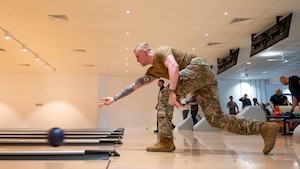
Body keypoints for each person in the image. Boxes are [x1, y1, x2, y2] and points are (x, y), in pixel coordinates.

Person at [99, 42, 279, 154]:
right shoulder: (152, 71)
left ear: (146, 51)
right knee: (216, 119)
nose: (137, 60)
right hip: (204, 80)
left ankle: (165, 142)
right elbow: (135, 85)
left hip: (198, 68)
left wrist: (172, 92)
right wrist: (114, 98)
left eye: (138, 56)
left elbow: (174, 67)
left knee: (164, 94)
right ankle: (265, 128)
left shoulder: (161, 51)